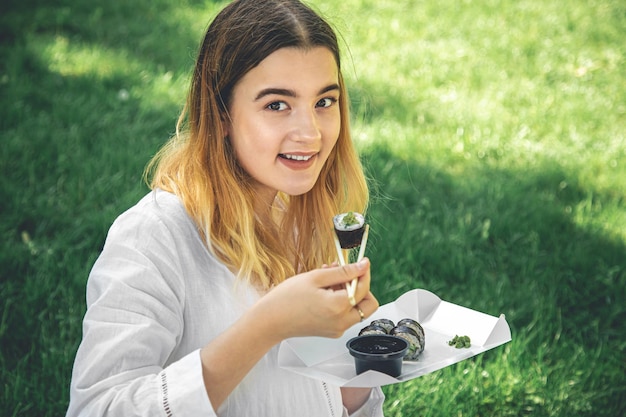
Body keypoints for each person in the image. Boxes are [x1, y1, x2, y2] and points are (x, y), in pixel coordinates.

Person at [66, 0, 383, 416]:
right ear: (220, 115)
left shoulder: (303, 222)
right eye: (276, 104)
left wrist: (356, 367)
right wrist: (266, 326)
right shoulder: (154, 238)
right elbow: (97, 409)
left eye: (324, 102)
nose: (310, 133)